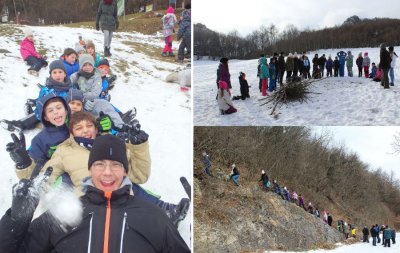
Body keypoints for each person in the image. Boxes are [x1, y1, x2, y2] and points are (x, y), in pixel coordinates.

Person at [0, 134, 191, 252]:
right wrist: (16, 220)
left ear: (125, 170)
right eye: (99, 164)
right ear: (90, 169)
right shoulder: (61, 216)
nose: (107, 172)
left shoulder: (153, 216)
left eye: (116, 164)